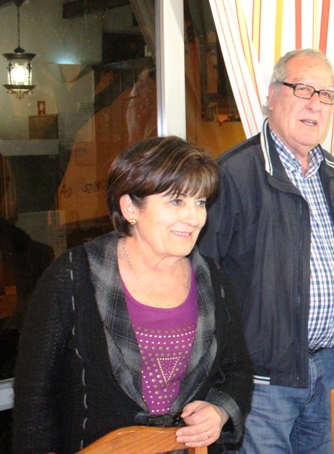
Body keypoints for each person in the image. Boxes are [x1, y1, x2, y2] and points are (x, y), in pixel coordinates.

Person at [13, 137, 254, 454]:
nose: (194, 217)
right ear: (129, 208)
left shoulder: (213, 281)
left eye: (200, 202)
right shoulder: (72, 278)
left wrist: (220, 411)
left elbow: (237, 370)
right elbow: (34, 395)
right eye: (176, 201)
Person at [198, 48, 334, 454]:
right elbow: (202, 278)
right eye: (303, 89)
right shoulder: (233, 173)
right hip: (264, 377)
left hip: (328, 365)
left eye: (326, 95)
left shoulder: (330, 170)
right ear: (271, 96)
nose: (315, 104)